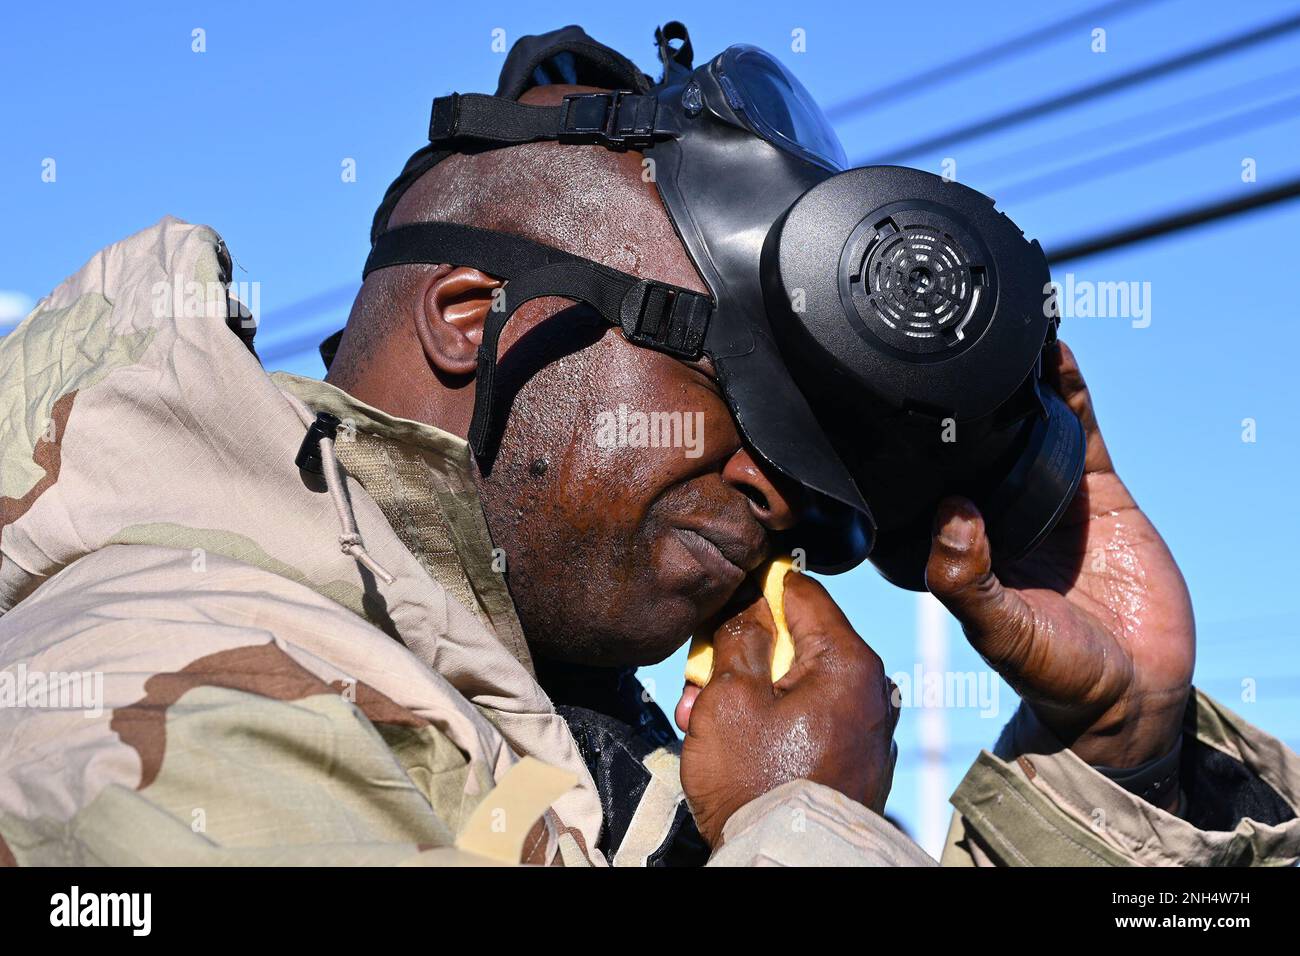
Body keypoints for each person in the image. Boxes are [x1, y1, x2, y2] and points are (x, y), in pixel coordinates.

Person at [0, 25, 1295, 867]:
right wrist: (810, 830)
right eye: (732, 378)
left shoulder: (618, 756)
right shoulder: (171, 679)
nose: (777, 493)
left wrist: (1124, 751)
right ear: (472, 317)